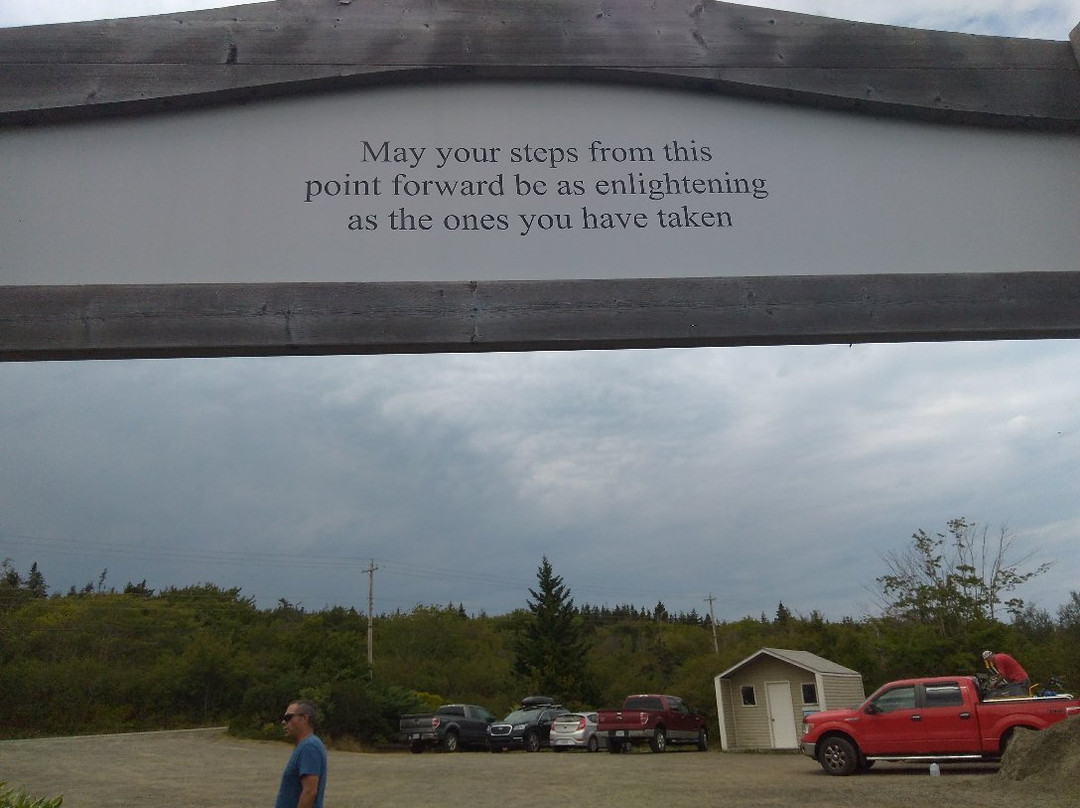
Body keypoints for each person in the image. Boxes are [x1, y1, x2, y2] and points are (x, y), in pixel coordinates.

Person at [275, 700, 327, 808]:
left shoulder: (310, 746)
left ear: (305, 718)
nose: (284, 722)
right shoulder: (304, 746)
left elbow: (310, 791)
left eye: (288, 717)